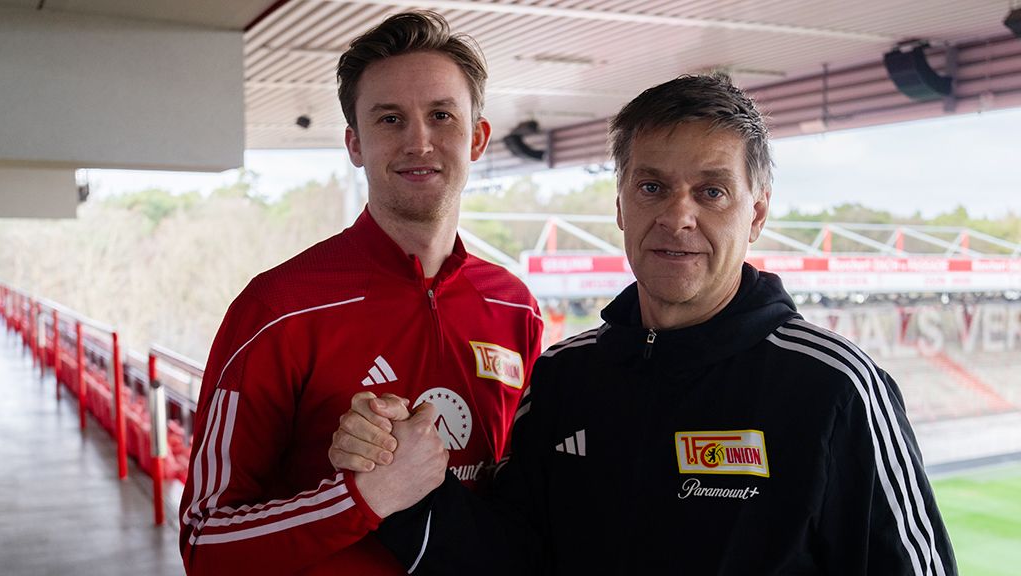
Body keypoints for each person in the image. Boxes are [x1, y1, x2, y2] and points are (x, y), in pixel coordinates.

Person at [331, 74, 958, 575]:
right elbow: (511, 555)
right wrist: (405, 486)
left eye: (711, 192)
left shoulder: (835, 388)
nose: (677, 217)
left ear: (757, 211)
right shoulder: (565, 377)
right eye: (653, 187)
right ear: (621, 205)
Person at [178, 11, 543, 575]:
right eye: (390, 119)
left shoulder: (515, 306)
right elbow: (205, 543)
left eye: (441, 116)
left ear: (477, 138)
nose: (419, 141)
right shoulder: (278, 308)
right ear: (355, 143)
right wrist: (363, 499)